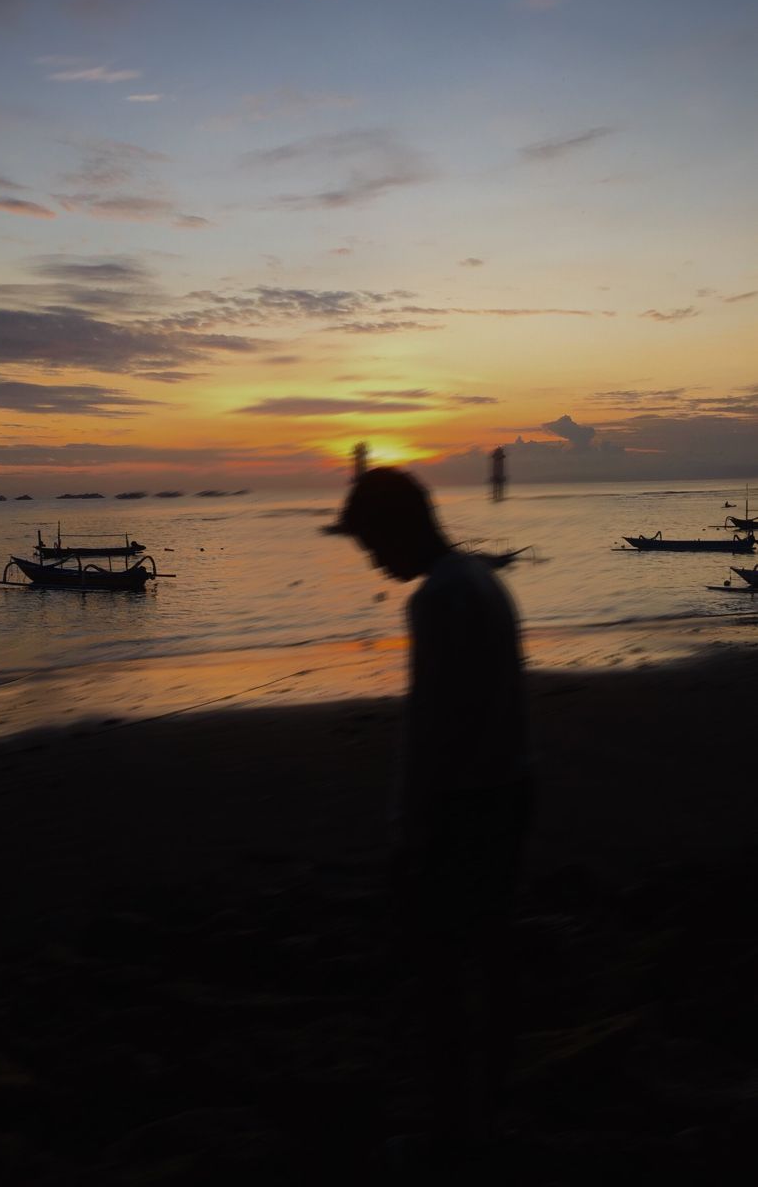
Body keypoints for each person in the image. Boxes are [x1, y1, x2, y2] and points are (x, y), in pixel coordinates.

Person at [327, 466, 531, 1168]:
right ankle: (491, 1116)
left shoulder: (438, 599)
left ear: (400, 528)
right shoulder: (484, 582)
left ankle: (453, 1137)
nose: (374, 560)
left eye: (373, 543)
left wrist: (407, 829)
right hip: (508, 792)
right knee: (489, 965)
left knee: (440, 979)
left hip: (461, 809)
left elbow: (430, 729)